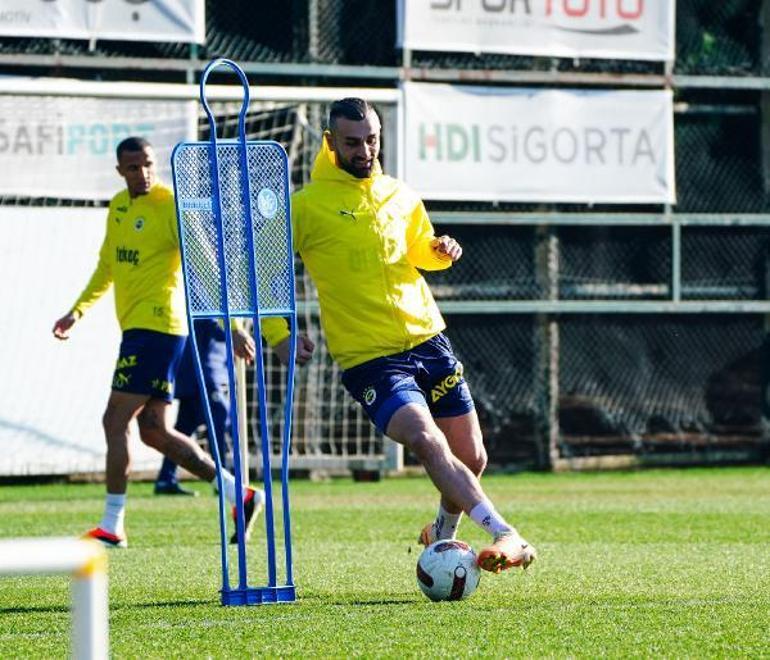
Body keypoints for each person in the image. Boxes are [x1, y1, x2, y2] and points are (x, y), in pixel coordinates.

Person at [262, 98, 536, 574]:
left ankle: (442, 537)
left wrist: (440, 250)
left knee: (472, 455)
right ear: (329, 143)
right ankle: (504, 532)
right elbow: (263, 270)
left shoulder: (400, 194)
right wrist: (278, 334)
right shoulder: (304, 207)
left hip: (428, 339)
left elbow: (417, 251)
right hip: (370, 358)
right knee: (428, 440)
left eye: (371, 139)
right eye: (352, 142)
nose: (364, 150)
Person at [52, 136, 263, 548]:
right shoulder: (118, 207)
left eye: (148, 164)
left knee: (114, 421)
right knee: (153, 431)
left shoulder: (170, 206)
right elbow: (106, 266)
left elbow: (206, 269)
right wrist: (77, 311)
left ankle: (112, 523)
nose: (142, 173)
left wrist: (234, 325)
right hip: (140, 331)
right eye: (133, 167)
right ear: (120, 171)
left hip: (157, 330)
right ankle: (240, 493)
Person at [153, 319, 233, 497]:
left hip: (202, 372)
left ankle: (166, 478)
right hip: (203, 374)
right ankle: (224, 480)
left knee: (183, 428)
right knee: (219, 420)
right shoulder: (208, 295)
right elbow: (218, 327)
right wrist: (239, 330)